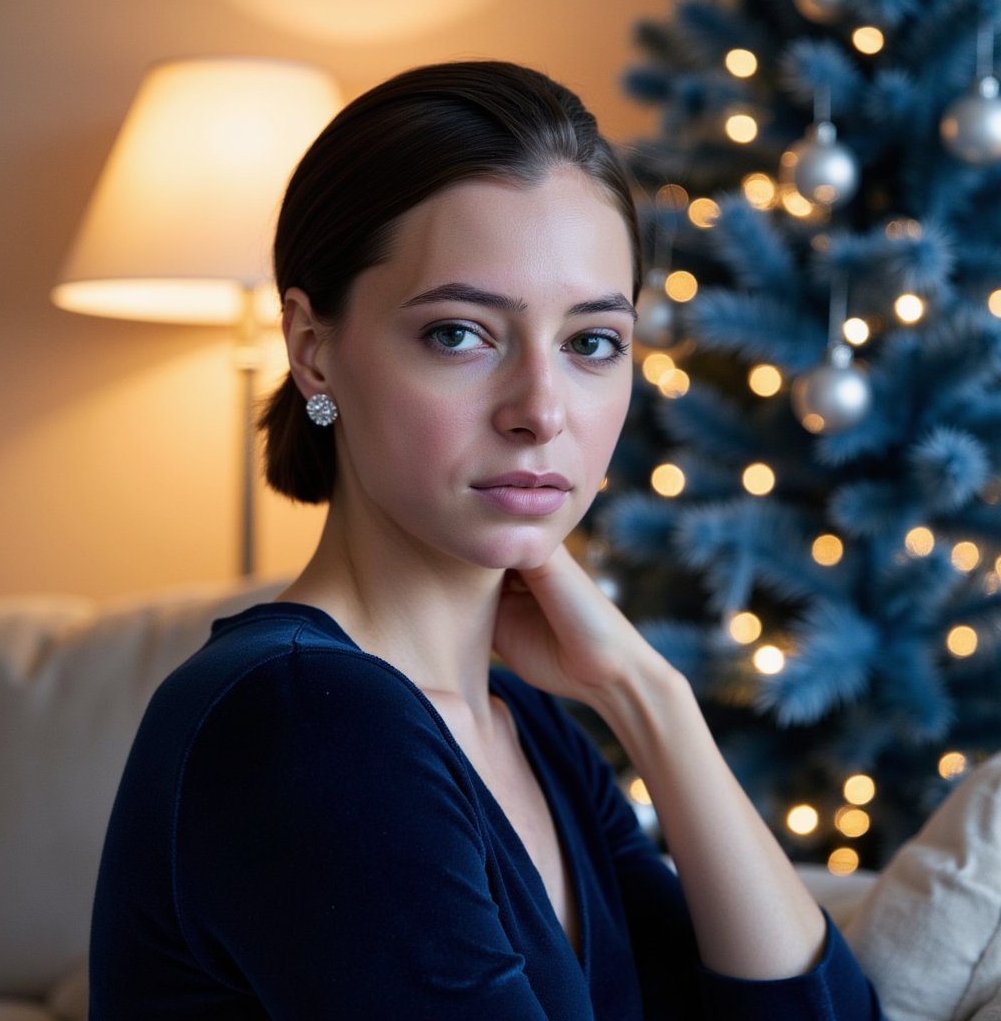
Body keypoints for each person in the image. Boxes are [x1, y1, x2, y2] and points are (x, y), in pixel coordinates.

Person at [89, 61, 883, 1019]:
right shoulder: (304, 722)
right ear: (311, 349)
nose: (541, 412)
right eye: (461, 334)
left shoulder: (528, 726)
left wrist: (649, 698)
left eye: (591, 342)